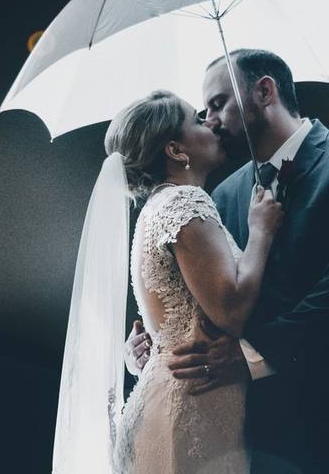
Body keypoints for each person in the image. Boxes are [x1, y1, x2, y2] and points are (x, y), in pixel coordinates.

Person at [127, 49, 329, 473]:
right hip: (256, 437)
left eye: (217, 104)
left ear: (264, 91)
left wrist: (250, 355)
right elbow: (201, 298)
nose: (209, 120)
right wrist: (152, 343)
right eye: (203, 112)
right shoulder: (220, 196)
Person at [56, 89, 283, 473]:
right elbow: (230, 312)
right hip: (190, 408)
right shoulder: (184, 203)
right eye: (197, 119)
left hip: (172, 399)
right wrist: (261, 232)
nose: (211, 122)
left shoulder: (155, 209)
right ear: (177, 151)